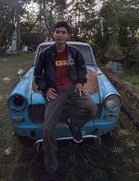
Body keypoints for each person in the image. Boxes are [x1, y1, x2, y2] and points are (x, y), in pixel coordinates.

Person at [34, 21, 97, 181]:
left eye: (63, 32)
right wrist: (45, 88)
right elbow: (38, 74)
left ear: (68, 35)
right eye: (58, 31)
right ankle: (51, 170)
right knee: (48, 130)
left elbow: (82, 68)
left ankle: (73, 124)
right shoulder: (45, 54)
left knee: (91, 107)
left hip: (73, 87)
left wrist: (81, 81)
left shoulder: (74, 52)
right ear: (53, 34)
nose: (60, 34)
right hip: (55, 91)